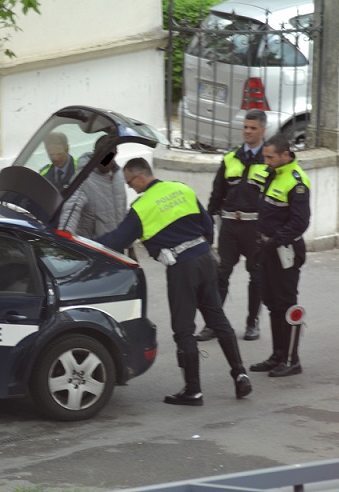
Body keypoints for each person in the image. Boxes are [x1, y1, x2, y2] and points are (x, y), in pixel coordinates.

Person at [95, 157, 252, 405]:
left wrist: (84, 243)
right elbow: (207, 224)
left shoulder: (142, 207)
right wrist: (202, 248)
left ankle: (193, 390)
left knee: (183, 328)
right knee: (218, 320)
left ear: (139, 177)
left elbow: (117, 240)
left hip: (182, 267)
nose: (130, 187)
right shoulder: (181, 189)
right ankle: (240, 375)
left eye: (129, 182)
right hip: (204, 259)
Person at [197, 110, 269, 343]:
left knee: (256, 276)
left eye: (253, 128)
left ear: (263, 130)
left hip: (255, 228)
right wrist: (207, 223)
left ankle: (252, 323)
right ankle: (213, 324)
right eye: (245, 127)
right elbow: (217, 193)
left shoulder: (269, 160)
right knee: (220, 274)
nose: (247, 131)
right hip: (229, 225)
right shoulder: (230, 157)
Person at [250, 133, 310, 378]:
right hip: (267, 249)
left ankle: (291, 360)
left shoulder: (297, 182)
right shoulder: (273, 174)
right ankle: (278, 355)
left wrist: (275, 241)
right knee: (273, 303)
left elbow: (300, 223)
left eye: (270, 157)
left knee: (286, 304)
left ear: (285, 155)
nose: (266, 162)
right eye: (265, 157)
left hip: (285, 250)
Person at [57, 136, 132, 255]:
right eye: (103, 157)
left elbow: (122, 210)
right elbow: (70, 211)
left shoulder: (118, 175)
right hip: (94, 249)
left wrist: (131, 246)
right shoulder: (83, 179)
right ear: (95, 154)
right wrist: (63, 243)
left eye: (110, 157)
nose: (107, 162)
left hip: (117, 249)